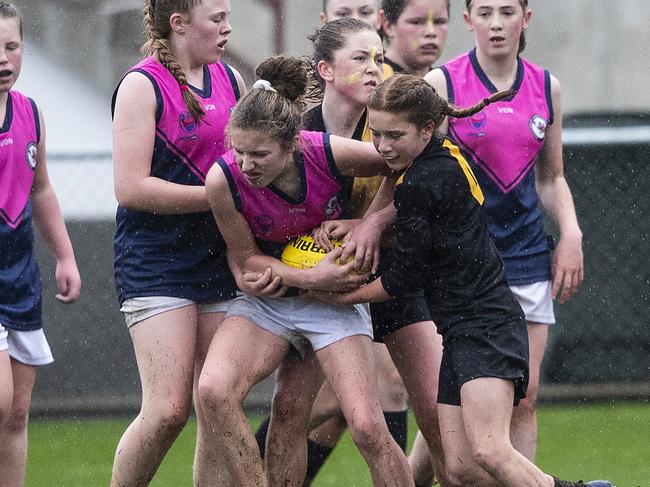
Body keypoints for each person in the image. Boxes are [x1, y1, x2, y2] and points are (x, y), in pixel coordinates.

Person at [309, 73, 613, 487]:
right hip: (460, 330)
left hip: (486, 326)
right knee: (462, 469)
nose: (382, 146)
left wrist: (336, 296)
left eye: (395, 135)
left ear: (426, 129)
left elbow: (402, 279)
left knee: (490, 451)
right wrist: (370, 221)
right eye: (376, 133)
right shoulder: (439, 155)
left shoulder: (420, 179)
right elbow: (414, 212)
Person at [197, 54, 414, 487]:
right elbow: (246, 264)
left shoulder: (325, 153)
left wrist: (368, 223)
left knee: (367, 428)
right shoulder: (223, 180)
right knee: (213, 392)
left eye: (259, 154)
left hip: (333, 305)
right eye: (238, 151)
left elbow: (401, 160)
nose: (246, 164)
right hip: (273, 301)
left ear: (292, 144)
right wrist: (310, 278)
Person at [253, 18, 446, 487]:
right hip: (322, 292)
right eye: (360, 59)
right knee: (293, 413)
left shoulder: (390, 123)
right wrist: (299, 261)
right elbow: (255, 201)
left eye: (378, 57)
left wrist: (373, 221)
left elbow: (432, 176)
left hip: (391, 281)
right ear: (325, 70)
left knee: (441, 420)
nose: (375, 69)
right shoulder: (293, 132)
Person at [425, 0, 585, 464]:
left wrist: (571, 232)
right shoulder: (443, 83)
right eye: (486, 12)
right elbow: (413, 171)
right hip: (461, 267)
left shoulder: (545, 87)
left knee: (524, 396)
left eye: (508, 11)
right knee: (458, 403)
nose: (497, 23)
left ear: (526, 18)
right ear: (468, 19)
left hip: (526, 257)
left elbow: (552, 177)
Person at [109, 1, 250, 485]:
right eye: (217, 18)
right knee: (168, 409)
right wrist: (218, 199)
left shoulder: (232, 82)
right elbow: (130, 188)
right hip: (156, 262)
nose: (228, 27)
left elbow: (248, 171)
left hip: (220, 260)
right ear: (179, 23)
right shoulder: (140, 85)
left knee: (218, 399)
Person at [0, 3, 81, 485]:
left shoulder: (30, 112)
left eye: (11, 47)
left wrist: (66, 255)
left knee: (16, 414)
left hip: (19, 279)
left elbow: (41, 188)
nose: (3, 59)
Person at [380, 0, 450, 77]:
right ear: (388, 25)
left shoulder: (448, 83)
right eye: (417, 22)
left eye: (439, 22)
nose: (431, 32)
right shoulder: (373, 82)